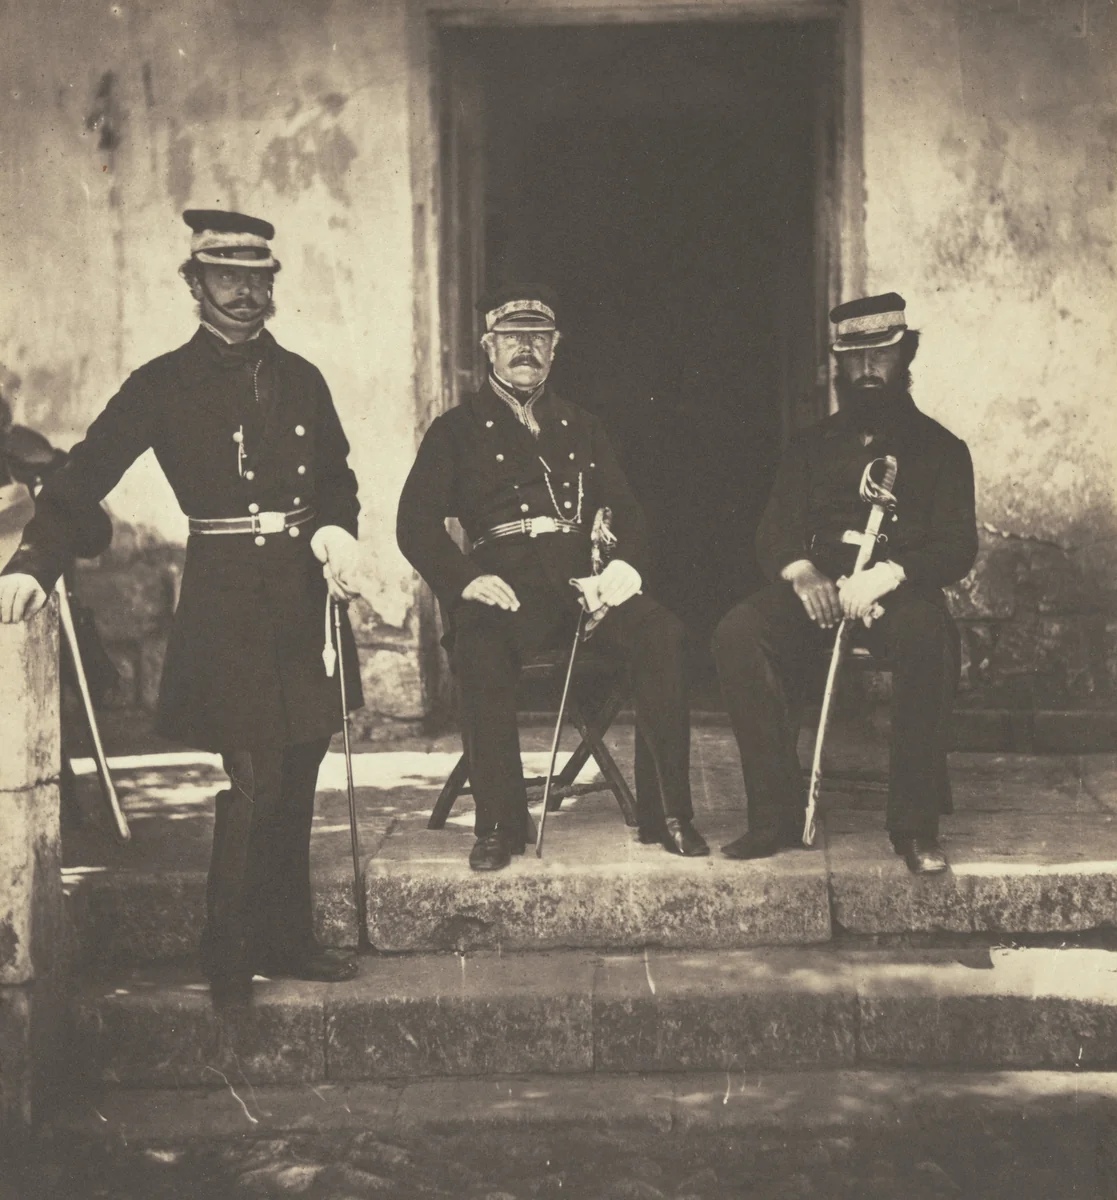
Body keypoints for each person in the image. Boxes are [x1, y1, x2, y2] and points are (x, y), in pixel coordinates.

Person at [0, 210, 365, 1002]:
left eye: (258, 279)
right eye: (226, 278)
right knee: (255, 774)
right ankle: (227, 953)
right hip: (227, 600)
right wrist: (33, 561)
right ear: (194, 285)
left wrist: (338, 530)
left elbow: (336, 478)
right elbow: (79, 478)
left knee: (297, 764)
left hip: (301, 597)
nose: (245, 294)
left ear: (272, 286)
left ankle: (287, 937)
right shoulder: (161, 384)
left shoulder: (301, 376)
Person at [397, 284, 707, 871]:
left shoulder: (582, 425)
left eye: (538, 339)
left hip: (582, 588)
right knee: (479, 643)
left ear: (555, 349)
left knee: (660, 632)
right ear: (488, 348)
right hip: (507, 588)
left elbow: (629, 510)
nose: (526, 349)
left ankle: (669, 815)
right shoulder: (456, 429)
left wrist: (623, 568)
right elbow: (414, 524)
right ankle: (497, 824)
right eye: (512, 338)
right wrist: (464, 581)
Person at [712, 293, 977, 875]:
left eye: (879, 357)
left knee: (927, 640)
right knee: (738, 633)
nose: (865, 373)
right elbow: (773, 531)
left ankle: (914, 828)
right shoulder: (810, 446)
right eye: (853, 360)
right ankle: (773, 814)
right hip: (822, 594)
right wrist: (802, 574)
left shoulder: (941, 450)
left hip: (897, 594)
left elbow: (958, 546)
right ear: (838, 366)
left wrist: (891, 574)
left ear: (905, 355)